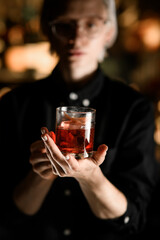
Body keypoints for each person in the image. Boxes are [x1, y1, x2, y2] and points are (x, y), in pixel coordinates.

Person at [0, 0, 159, 239]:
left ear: (108, 32)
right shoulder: (13, 105)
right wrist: (41, 174)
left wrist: (92, 179)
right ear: (48, 30)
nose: (77, 36)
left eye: (91, 24)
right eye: (65, 25)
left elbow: (133, 219)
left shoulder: (135, 109)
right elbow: (8, 216)